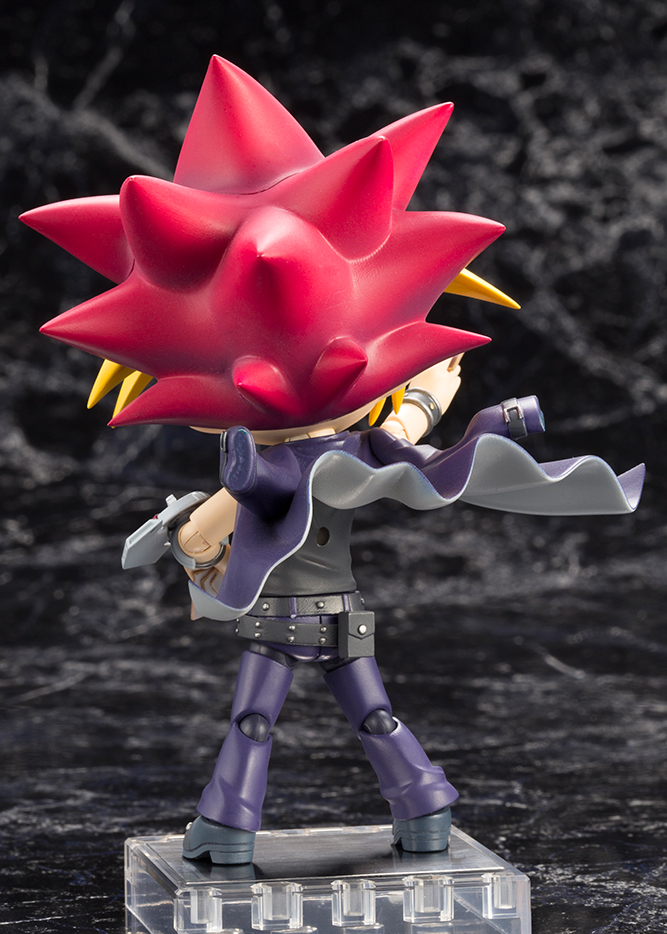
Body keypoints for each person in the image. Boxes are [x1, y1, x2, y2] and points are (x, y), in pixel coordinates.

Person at [21, 56, 643, 865]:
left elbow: (312, 477)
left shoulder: (321, 458)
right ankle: (414, 809)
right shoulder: (343, 453)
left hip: (290, 621)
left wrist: (206, 528)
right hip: (339, 617)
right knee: (360, 716)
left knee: (263, 721)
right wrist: (434, 408)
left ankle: (242, 826)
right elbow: (387, 460)